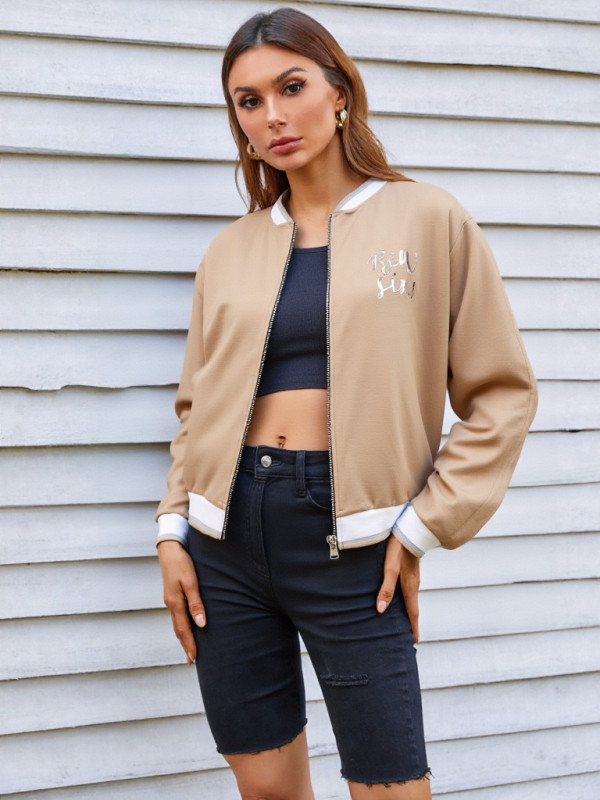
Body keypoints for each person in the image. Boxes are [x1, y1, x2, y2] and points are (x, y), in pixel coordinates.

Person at [155, 8, 538, 799]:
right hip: (224, 537)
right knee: (267, 789)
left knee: (392, 788)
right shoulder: (230, 251)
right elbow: (197, 406)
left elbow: (501, 393)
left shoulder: (428, 218)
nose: (273, 115)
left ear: (339, 93)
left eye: (291, 87)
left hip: (351, 542)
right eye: (249, 101)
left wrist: (426, 523)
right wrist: (171, 529)